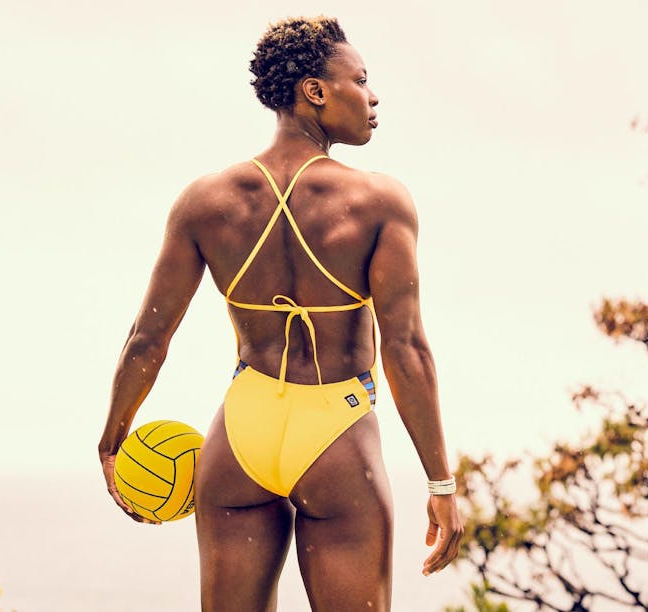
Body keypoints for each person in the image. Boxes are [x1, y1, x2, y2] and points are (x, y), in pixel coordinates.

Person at [97, 16, 462, 611]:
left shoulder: (205, 201)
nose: (373, 97)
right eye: (361, 80)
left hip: (242, 429)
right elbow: (406, 349)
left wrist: (113, 440)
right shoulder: (377, 201)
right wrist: (441, 484)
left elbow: (147, 337)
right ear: (315, 91)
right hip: (337, 433)